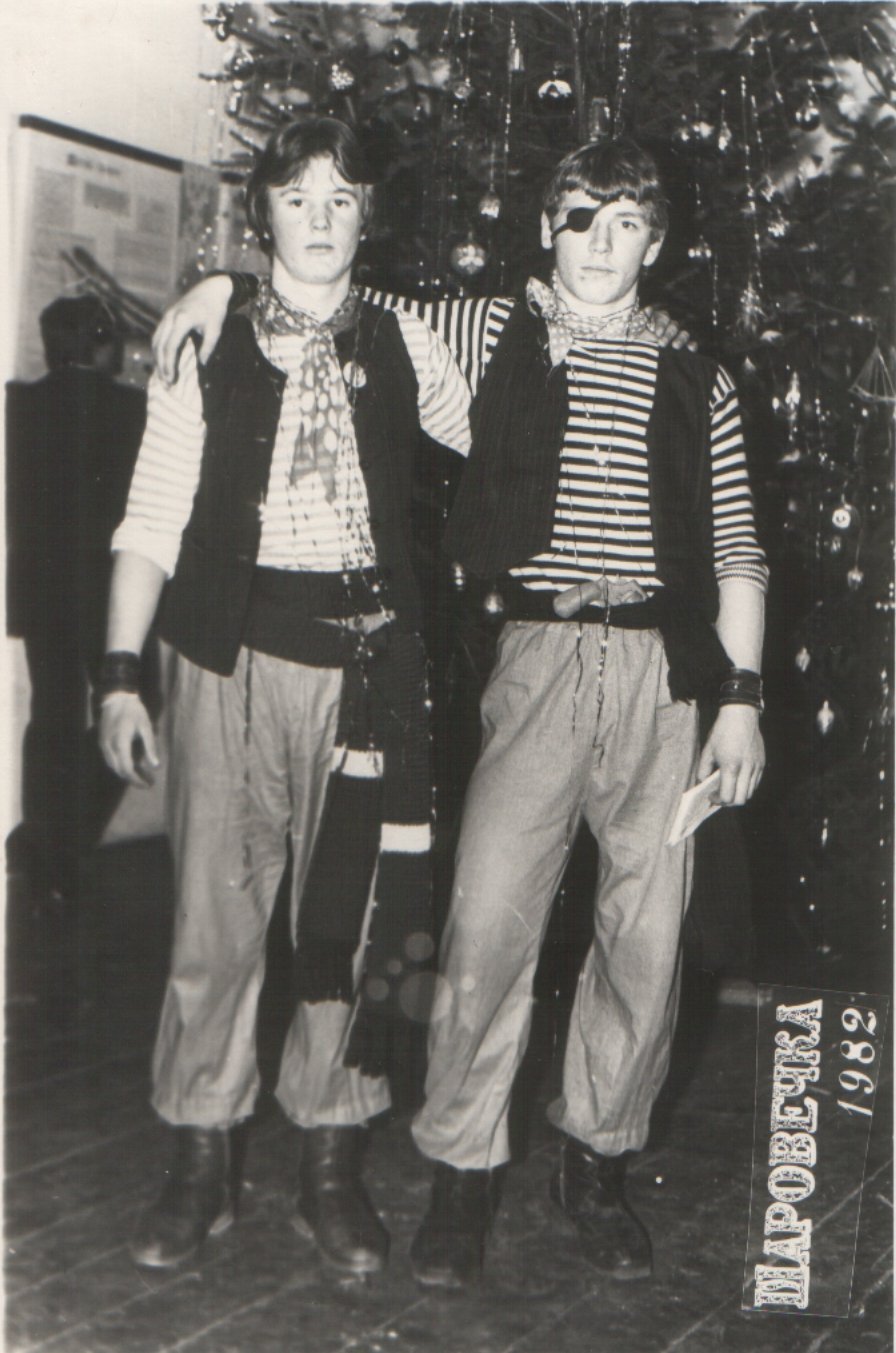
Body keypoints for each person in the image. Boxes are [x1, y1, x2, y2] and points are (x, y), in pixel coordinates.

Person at [156, 137, 763, 1291]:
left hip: (667, 678)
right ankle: (460, 1171)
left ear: (654, 241)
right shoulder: (489, 331)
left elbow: (735, 546)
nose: (598, 244)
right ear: (544, 228)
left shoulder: (699, 375)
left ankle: (594, 1164)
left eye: (624, 224)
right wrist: (225, 284)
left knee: (643, 941)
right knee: (486, 924)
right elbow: (334, 294)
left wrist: (739, 698)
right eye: (578, 218)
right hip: (532, 662)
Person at [98, 116, 472, 1275]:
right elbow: (151, 516)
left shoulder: (411, 340)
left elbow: (503, 424)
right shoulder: (204, 342)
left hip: (366, 676)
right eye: (297, 195)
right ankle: (199, 1156)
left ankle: (329, 1163)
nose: (318, 217)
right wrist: (120, 676)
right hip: (228, 663)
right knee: (213, 923)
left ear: (369, 217)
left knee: (348, 927)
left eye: (341, 197)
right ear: (261, 212)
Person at [6, 295, 149, 908]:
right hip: (107, 596)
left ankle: (42, 847)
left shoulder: (18, 405)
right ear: (99, 343)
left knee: (51, 718)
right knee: (139, 705)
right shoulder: (130, 408)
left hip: (41, 592)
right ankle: (63, 841)